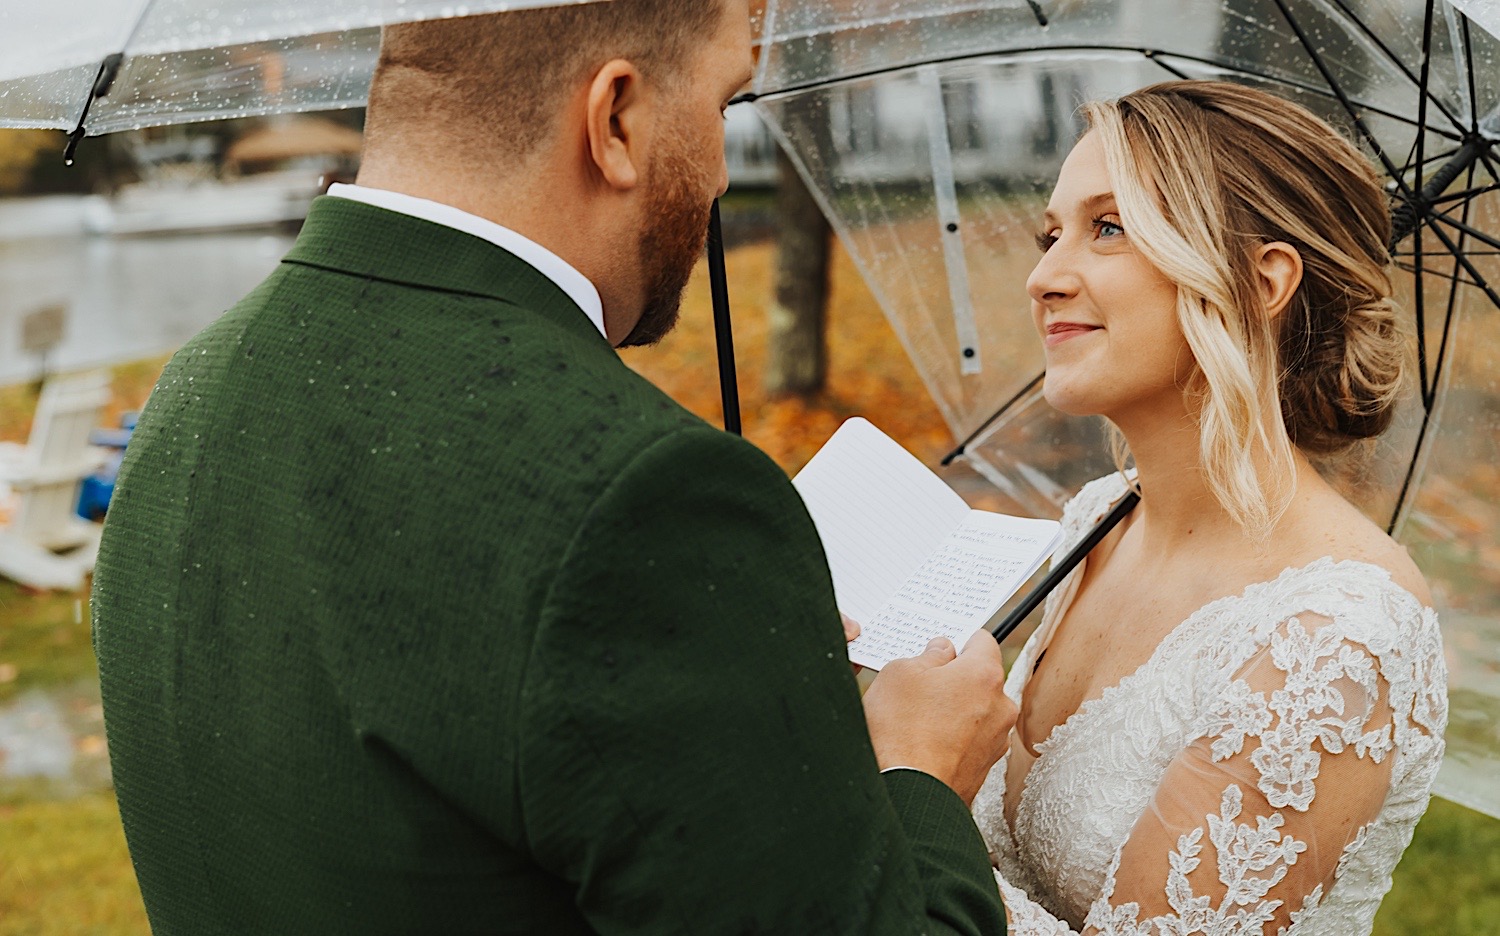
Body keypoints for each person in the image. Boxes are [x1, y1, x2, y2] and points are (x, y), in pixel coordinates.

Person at [90, 2, 1018, 933]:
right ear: (615, 118)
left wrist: (753, 679)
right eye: (725, 104)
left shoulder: (193, 391)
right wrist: (917, 774)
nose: (724, 172)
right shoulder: (650, 498)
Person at [969, 80, 1449, 935]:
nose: (1043, 277)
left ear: (1260, 282)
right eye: (1053, 235)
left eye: (1108, 228)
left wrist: (902, 792)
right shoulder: (1098, 519)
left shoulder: (1334, 639)